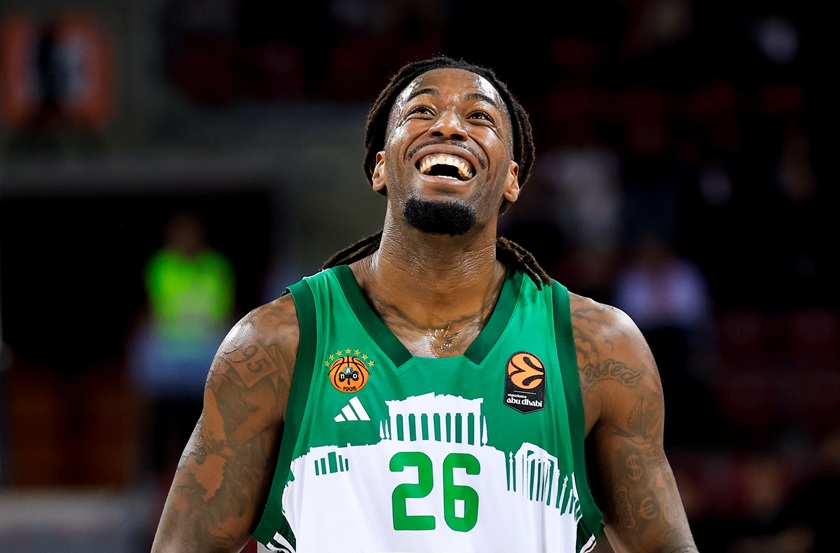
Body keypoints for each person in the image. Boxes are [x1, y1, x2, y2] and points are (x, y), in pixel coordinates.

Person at [150, 55, 698, 553]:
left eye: (479, 117)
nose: (450, 126)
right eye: (421, 111)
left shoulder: (596, 348)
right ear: (379, 167)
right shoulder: (277, 346)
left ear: (512, 180)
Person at [127, 210, 237, 479]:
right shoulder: (161, 267)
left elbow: (225, 312)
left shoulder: (216, 267)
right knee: (160, 424)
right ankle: (152, 480)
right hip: (168, 363)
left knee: (199, 426)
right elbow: (151, 311)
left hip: (202, 363)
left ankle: (200, 479)